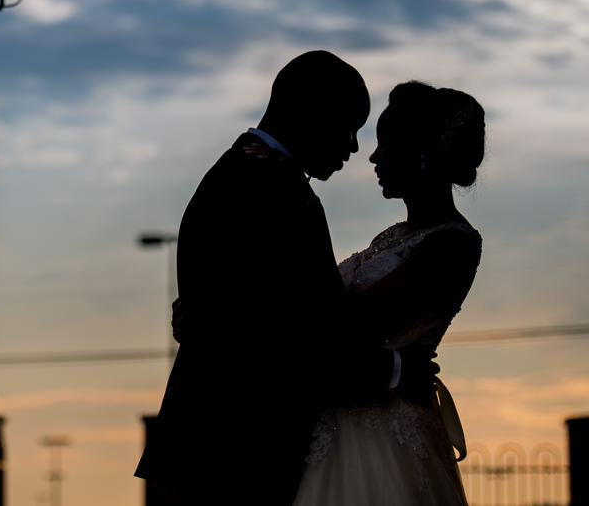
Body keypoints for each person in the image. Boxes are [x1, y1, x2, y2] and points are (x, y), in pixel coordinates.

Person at [134, 51, 438, 504]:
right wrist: (397, 371)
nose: (354, 147)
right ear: (313, 112)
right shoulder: (273, 191)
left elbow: (250, 317)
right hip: (246, 448)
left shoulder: (240, 173)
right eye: (349, 126)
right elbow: (293, 336)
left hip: (220, 445)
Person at [292, 81, 485, 505]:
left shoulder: (451, 243)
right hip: (341, 417)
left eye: (386, 145)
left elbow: (346, 323)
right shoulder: (395, 235)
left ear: (422, 153)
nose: (374, 157)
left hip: (379, 435)